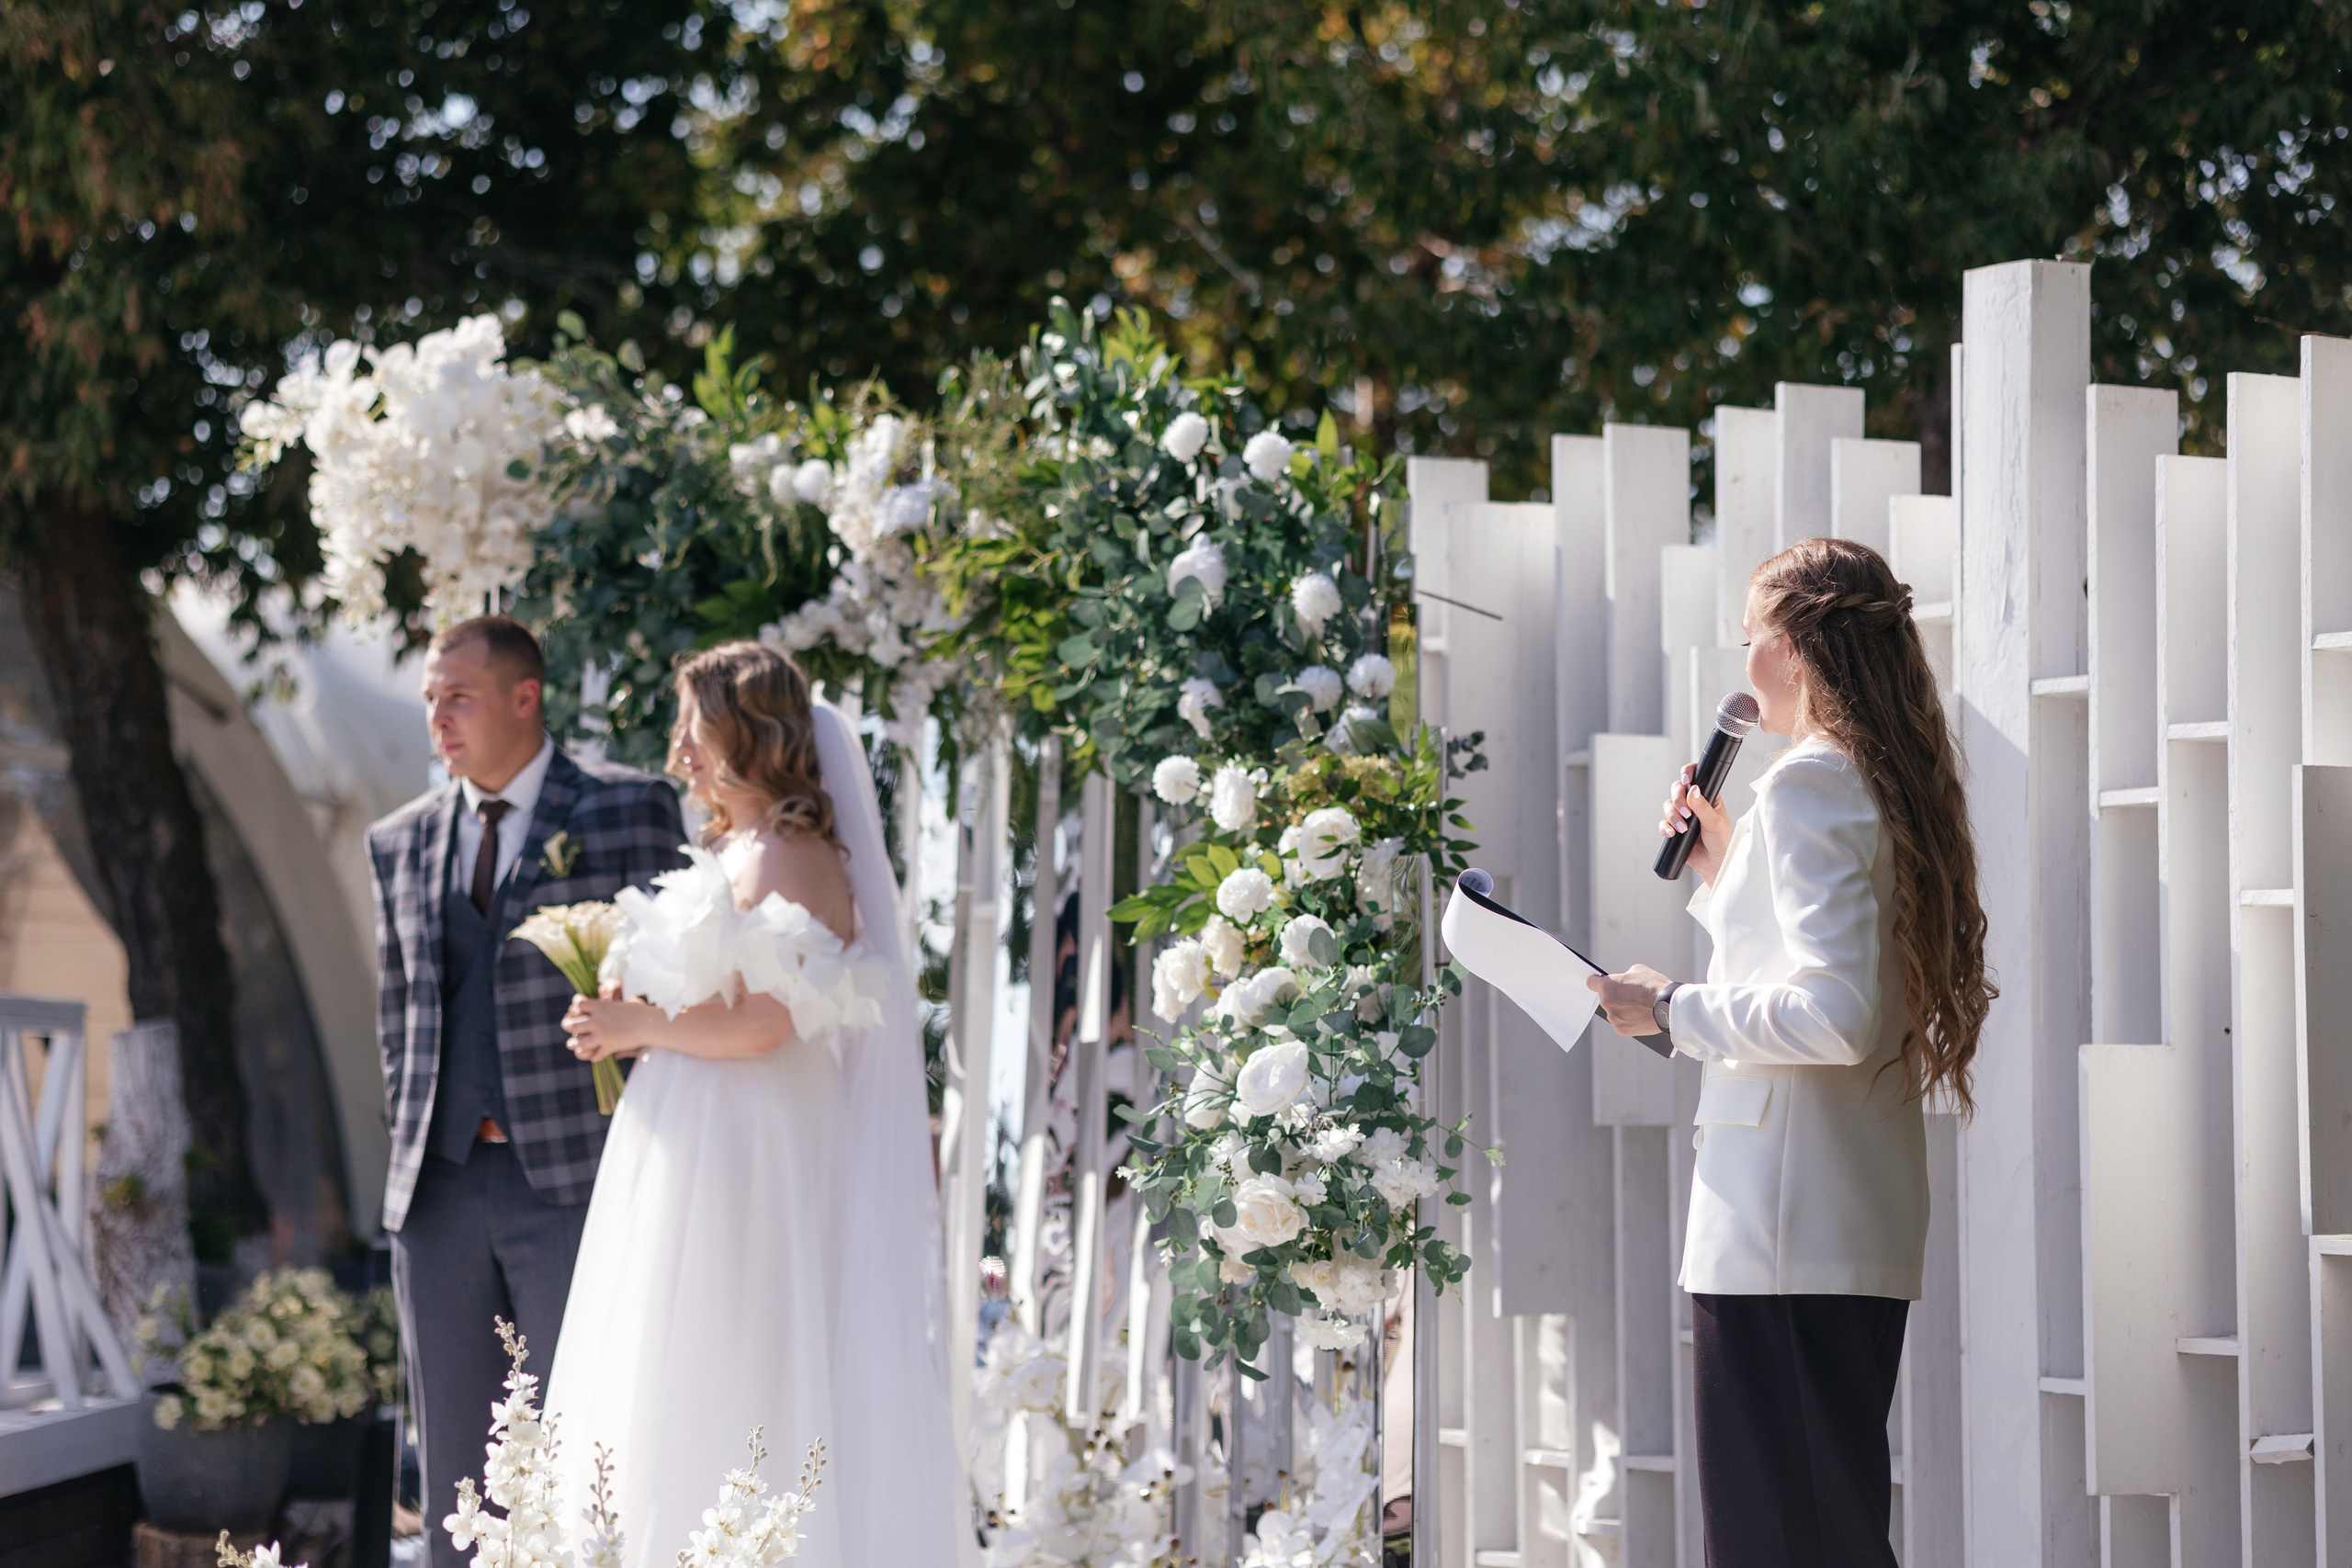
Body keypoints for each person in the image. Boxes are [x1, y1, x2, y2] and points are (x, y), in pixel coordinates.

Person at [1586, 536, 1995, 1568]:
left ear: (1801, 646)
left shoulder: (1813, 784)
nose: (1743, 666)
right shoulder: (1861, 779)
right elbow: (1816, 974)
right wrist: (1725, 872)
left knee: (1790, 1541)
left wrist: (1670, 1008)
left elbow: (1832, 1014)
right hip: (1823, 1217)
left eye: (1752, 639)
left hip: (1781, 1228)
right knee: (1816, 1531)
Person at [547, 642, 966, 1567]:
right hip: (699, 1142)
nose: (678, 754)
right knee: (675, 1359)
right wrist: (629, 1010)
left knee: (731, 1357)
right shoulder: (737, 851)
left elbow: (765, 1025)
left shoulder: (793, 855)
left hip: (750, 1148)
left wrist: (638, 1029)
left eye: (693, 729)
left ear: (745, 732)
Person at [368, 615, 687, 1568]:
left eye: (457, 696)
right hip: (441, 1190)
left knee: (589, 1443)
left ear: (524, 696)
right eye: (429, 698)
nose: (438, 718)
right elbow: (397, 1009)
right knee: (462, 1474)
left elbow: (673, 982)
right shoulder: (400, 841)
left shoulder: (629, 809)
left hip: (578, 1182)